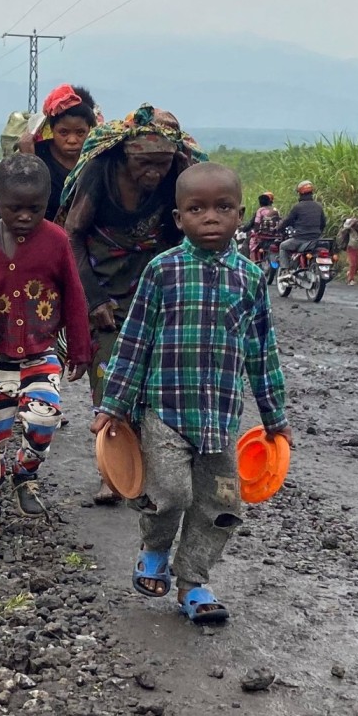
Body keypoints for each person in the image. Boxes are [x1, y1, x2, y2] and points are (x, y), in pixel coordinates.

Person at [92, 163, 290, 624]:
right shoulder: (163, 271)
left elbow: (263, 353)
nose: (210, 218)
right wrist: (114, 406)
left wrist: (275, 418)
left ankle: (193, 583)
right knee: (172, 494)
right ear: (178, 218)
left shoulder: (251, 279)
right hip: (165, 413)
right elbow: (134, 342)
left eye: (222, 208)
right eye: (196, 209)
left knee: (220, 505)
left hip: (221, 422)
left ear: (240, 215)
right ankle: (155, 549)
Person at [58, 104, 207, 504]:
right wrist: (93, 298)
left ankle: (150, 475)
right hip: (103, 280)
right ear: (126, 155)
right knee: (107, 378)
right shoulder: (100, 171)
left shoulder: (176, 173)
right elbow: (71, 234)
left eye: (162, 163)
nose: (153, 174)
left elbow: (185, 233)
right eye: (145, 164)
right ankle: (114, 474)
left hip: (152, 281)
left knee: (154, 382)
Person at [0, 154, 92, 537]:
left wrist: (80, 346)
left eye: (36, 208)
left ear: (48, 204)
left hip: (40, 352)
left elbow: (74, 296)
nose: (26, 216)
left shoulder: (57, 242)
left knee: (44, 418)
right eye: (16, 208)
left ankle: (25, 472)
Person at [18, 84, 100, 221]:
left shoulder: (97, 158)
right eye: (64, 132)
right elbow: (22, 199)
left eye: (80, 132)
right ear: (52, 129)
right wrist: (29, 160)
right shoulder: (36, 154)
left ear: (89, 129)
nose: (72, 140)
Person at [279, 180, 327, 270]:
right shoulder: (318, 206)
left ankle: (285, 269)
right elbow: (323, 223)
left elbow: (288, 221)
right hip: (315, 239)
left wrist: (279, 228)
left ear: (300, 193)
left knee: (283, 246)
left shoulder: (298, 207)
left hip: (300, 239)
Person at [241, 191, 284, 263]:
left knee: (246, 242)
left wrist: (244, 229)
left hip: (262, 237)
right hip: (275, 237)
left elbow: (254, 223)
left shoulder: (260, 210)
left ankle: (247, 263)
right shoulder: (276, 210)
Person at [337, 216, 358, 285]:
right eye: (357, 226)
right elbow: (343, 231)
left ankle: (350, 273)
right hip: (351, 248)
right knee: (353, 264)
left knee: (357, 265)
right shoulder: (350, 230)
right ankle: (351, 279)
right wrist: (350, 225)